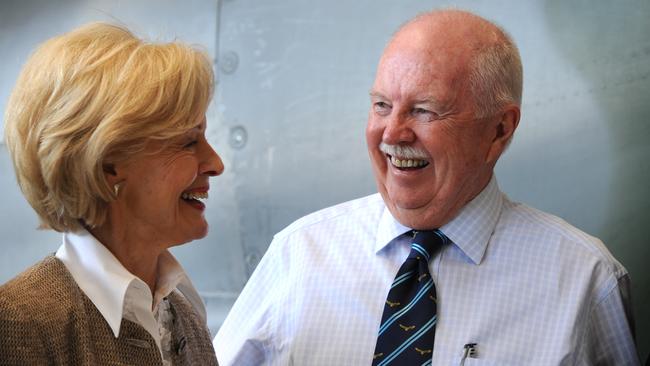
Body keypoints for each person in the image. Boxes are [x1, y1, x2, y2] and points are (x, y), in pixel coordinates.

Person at [214, 9, 640, 365]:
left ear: (499, 130)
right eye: (381, 105)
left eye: (423, 110)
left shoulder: (584, 281)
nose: (393, 133)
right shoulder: (299, 258)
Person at [0, 23, 222, 365]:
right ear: (108, 163)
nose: (215, 164)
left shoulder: (183, 311)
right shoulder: (17, 324)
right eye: (189, 141)